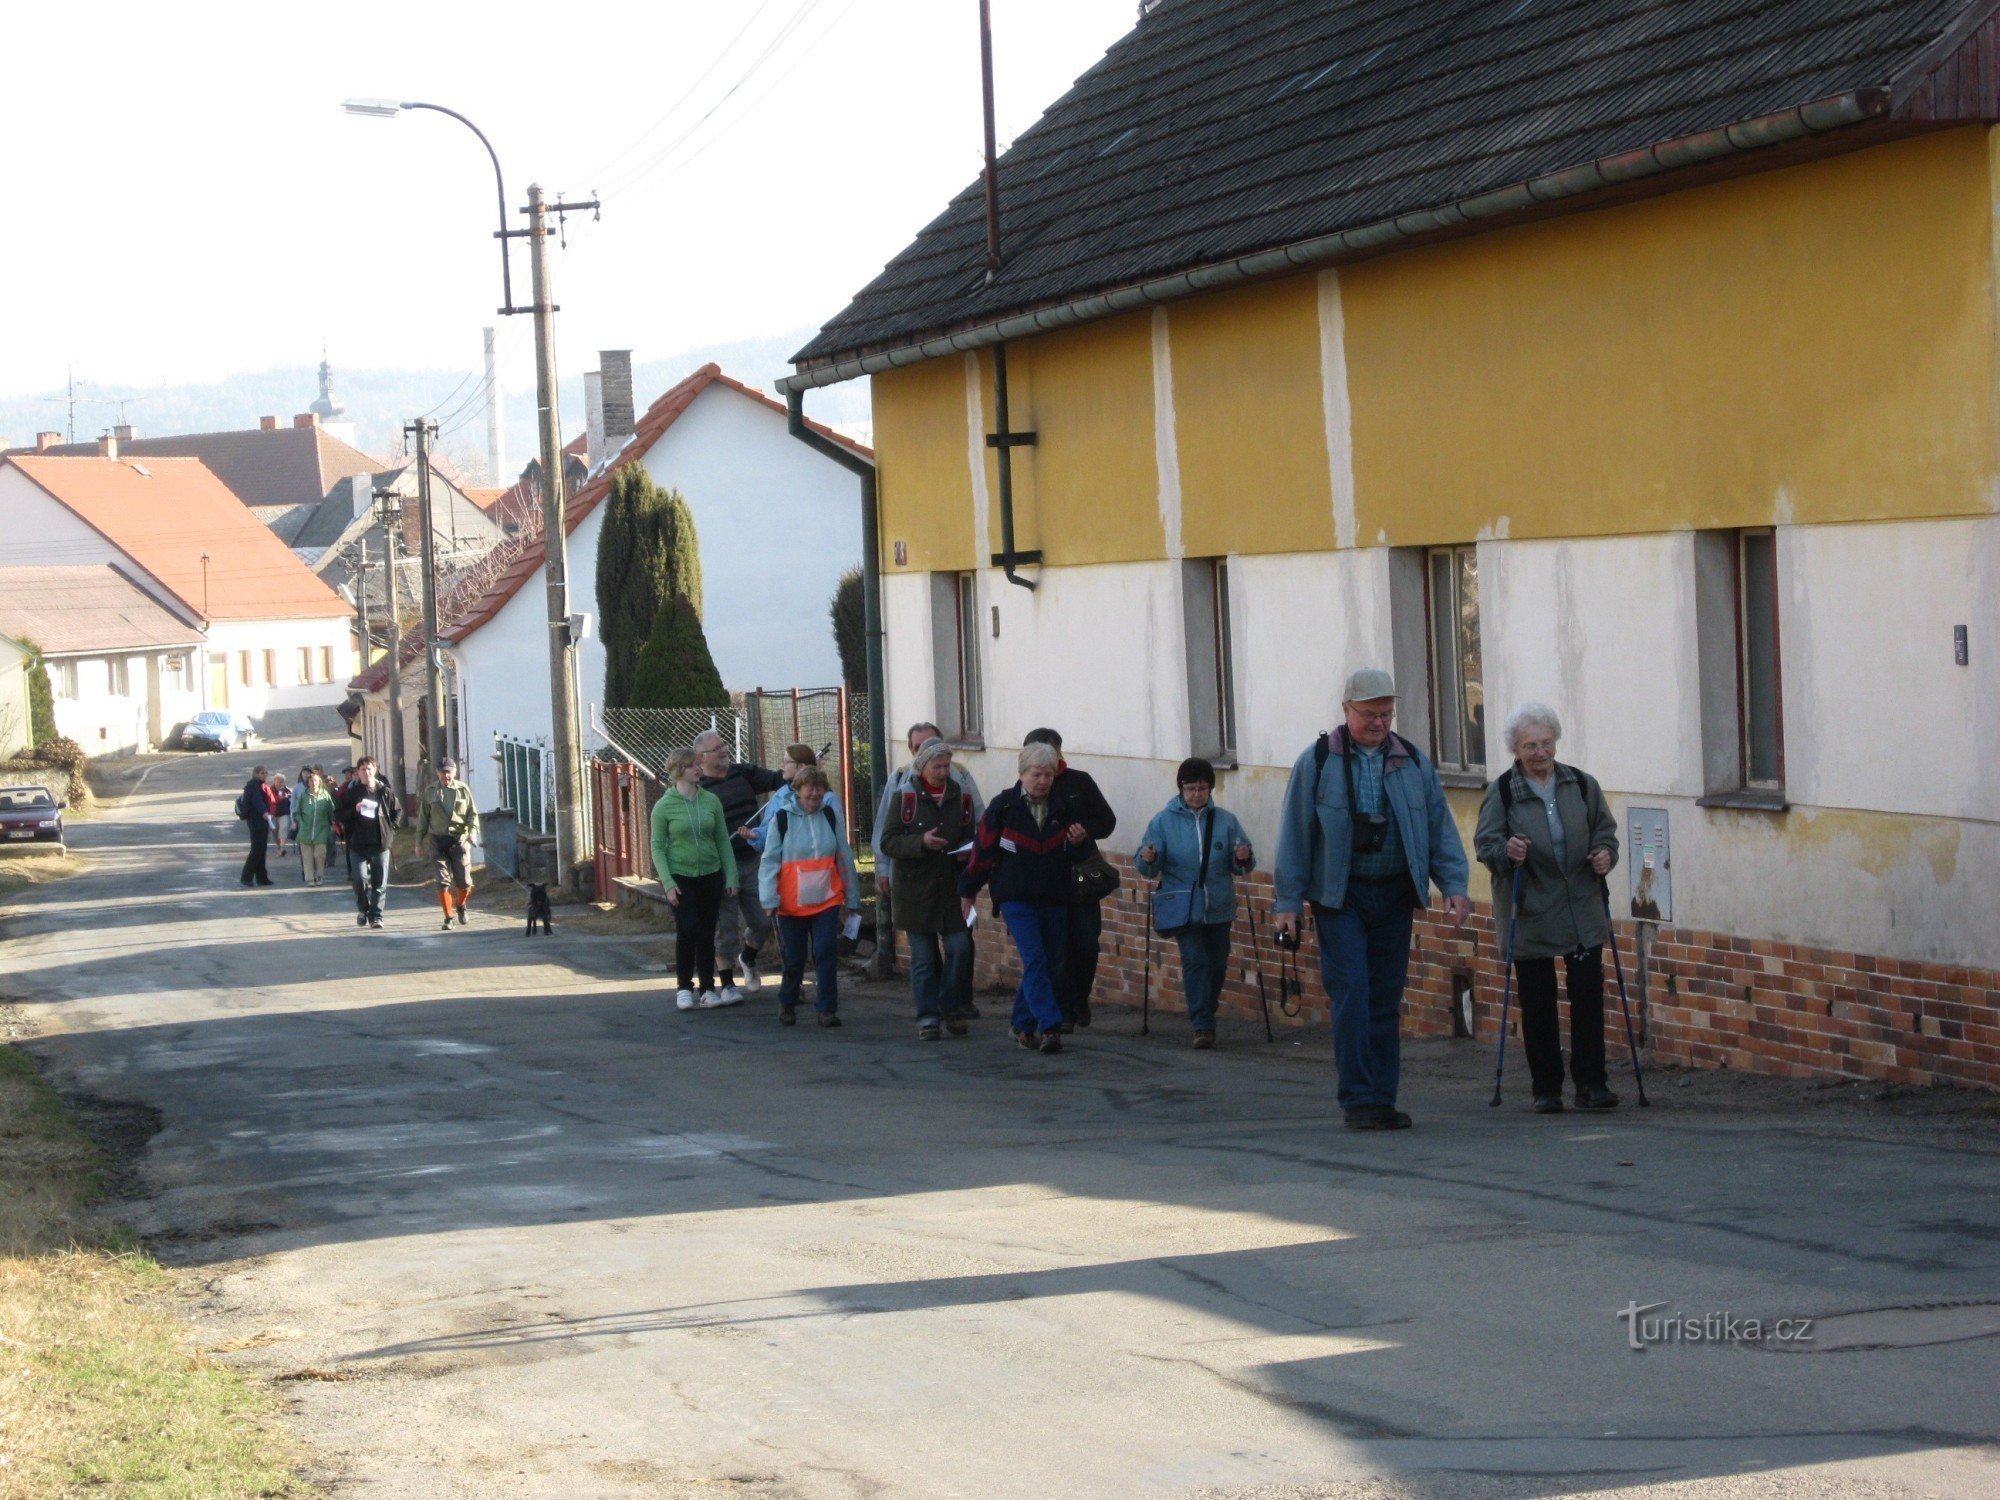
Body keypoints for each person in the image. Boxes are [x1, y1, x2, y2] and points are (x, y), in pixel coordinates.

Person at [1273, 669, 1472, 1131]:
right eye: (1369, 714)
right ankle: (1359, 1098)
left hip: (1395, 895)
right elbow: (1295, 834)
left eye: (1386, 714)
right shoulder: (1318, 761)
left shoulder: (1413, 762)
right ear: (1346, 711)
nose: (1379, 723)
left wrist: (1455, 886)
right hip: (1340, 898)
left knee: (1385, 997)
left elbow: (1438, 828)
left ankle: (1384, 1098)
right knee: (1353, 994)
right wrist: (1288, 902)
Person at [1473, 701, 1622, 1114]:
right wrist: (1507, 850)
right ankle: (1546, 1088)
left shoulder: (1581, 785)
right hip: (1531, 908)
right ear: (1515, 750)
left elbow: (1606, 834)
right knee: (1539, 1002)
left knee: (1588, 996)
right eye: (1529, 746)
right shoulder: (1503, 792)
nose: (1539, 753)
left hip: (1580, 907)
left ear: (1555, 742)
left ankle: (1592, 1084)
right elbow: (1485, 846)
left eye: (1545, 743)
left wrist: (1605, 855)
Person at [961, 742, 1086, 1055]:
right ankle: (1050, 1026)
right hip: (1016, 897)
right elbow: (982, 852)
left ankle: (1021, 1024)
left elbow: (1080, 854)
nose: (1042, 780)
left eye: (1047, 774)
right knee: (1035, 958)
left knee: (1047, 962)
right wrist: (968, 891)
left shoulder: (1064, 807)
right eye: (1036, 774)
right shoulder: (1003, 807)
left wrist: (1081, 841)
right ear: (1022, 774)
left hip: (1055, 896)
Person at [1135, 758, 1256, 1049]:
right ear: (1180, 789)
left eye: (1201, 788)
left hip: (1218, 904)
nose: (1196, 794)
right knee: (1195, 959)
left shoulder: (1226, 821)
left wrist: (1242, 858)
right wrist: (1148, 858)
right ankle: (1202, 1023)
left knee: (1217, 962)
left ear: (1210, 789)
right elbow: (1146, 866)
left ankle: (1206, 1008)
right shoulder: (1163, 821)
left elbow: (1242, 865)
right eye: (1190, 788)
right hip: (1182, 905)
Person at [872, 721, 986, 1006]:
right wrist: (910, 849)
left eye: (945, 763)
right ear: (917, 757)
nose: (943, 771)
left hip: (951, 886)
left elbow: (978, 826)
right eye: (918, 748)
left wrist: (971, 856)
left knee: (960, 948)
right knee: (924, 958)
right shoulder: (901, 786)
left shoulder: (961, 784)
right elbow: (885, 837)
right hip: (915, 889)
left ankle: (955, 1004)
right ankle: (929, 1014)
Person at [1021, 728, 1117, 1033]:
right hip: (1047, 878)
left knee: (1086, 944)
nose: (1044, 770)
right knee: (1056, 950)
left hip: (1081, 878)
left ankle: (1079, 1000)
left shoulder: (1079, 782)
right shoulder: (1025, 788)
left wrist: (1084, 830)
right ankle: (1062, 1009)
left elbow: (1106, 821)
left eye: (1050, 755)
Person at [758, 766, 862, 1028]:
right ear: (798, 791)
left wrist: (852, 898)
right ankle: (788, 1000)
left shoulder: (828, 815)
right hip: (791, 904)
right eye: (809, 789)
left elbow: (844, 856)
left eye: (819, 788)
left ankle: (827, 1008)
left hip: (827, 898)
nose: (815, 793)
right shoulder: (782, 818)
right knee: (794, 957)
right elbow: (769, 860)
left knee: (825, 951)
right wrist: (768, 899)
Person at [694, 730, 784, 1003]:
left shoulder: (742, 772)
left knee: (762, 921)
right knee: (726, 926)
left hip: (753, 860)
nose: (724, 750)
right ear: (702, 757)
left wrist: (799, 767)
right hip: (721, 865)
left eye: (723, 745)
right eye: (716, 748)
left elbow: (777, 779)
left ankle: (748, 956)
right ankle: (728, 984)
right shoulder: (699, 788)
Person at [652, 747, 736, 1012]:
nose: (697, 769)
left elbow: (723, 840)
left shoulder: (711, 801)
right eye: (691, 766)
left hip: (710, 874)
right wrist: (668, 883)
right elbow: (657, 846)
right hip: (681, 875)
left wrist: (731, 875)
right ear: (679, 770)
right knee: (688, 928)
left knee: (707, 931)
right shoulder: (664, 806)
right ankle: (684, 987)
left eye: (698, 765)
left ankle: (708, 989)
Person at [415, 757, 482, 931]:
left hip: (459, 841)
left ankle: (461, 905)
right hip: (438, 841)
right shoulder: (430, 792)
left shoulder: (463, 790)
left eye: (449, 771)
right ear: (437, 773)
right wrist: (418, 843)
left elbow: (472, 814)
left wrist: (472, 831)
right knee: (442, 881)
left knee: (464, 882)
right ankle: (448, 917)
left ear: (455, 772)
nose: (446, 775)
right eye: (442, 771)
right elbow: (423, 819)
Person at [334, 757, 400, 929]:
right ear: (358, 772)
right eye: (363, 769)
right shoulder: (351, 793)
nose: (367, 772)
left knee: (380, 882)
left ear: (375, 769)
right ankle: (363, 909)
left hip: (380, 844)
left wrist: (391, 831)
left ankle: (376, 916)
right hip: (358, 844)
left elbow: (397, 812)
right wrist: (353, 811)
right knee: (359, 879)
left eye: (369, 768)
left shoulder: (385, 792)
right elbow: (339, 814)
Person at [748, 744, 845, 852]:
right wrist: (755, 835)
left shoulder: (828, 799)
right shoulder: (780, 796)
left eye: (786, 762)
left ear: (801, 767)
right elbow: (769, 836)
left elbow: (840, 841)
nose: (781, 766)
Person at [292, 769, 336, 887]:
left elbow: (331, 810)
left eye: (316, 781)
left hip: (321, 830)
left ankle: (320, 875)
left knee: (320, 854)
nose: (313, 783)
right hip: (305, 831)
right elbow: (297, 812)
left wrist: (332, 822)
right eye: (311, 781)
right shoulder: (303, 796)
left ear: (320, 782)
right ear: (308, 783)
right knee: (307, 857)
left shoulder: (325, 795)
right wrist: (300, 822)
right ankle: (310, 879)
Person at [238, 765, 275, 888]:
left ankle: (262, 878)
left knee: (261, 850)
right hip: (256, 822)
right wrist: (264, 812)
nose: (264, 775)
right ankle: (246, 877)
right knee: (256, 851)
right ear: (256, 774)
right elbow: (257, 801)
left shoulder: (259, 785)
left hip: (261, 822)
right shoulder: (253, 786)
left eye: (265, 773)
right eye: (261, 773)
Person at [269, 773, 292, 858]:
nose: (279, 783)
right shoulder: (269, 790)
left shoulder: (287, 791)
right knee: (274, 831)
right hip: (273, 814)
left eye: (281, 781)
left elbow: (291, 801)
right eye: (277, 781)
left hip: (284, 813)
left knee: (283, 828)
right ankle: (279, 847)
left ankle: (282, 848)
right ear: (274, 781)